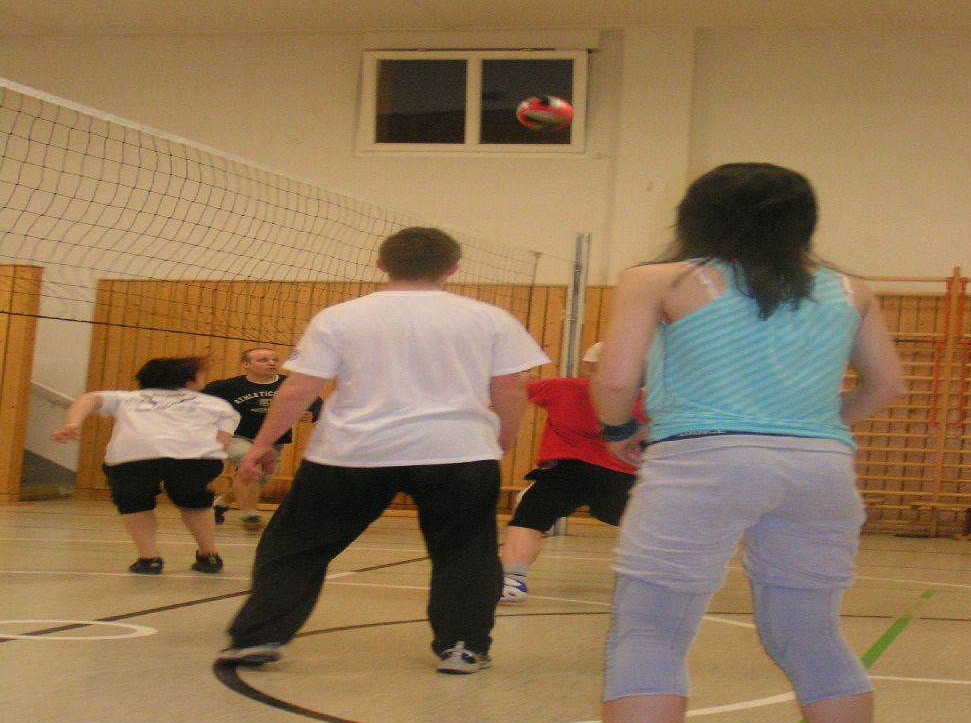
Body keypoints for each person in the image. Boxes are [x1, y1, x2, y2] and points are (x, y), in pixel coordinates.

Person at [590, 163, 905, 723]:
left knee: (649, 631)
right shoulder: (852, 289)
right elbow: (886, 386)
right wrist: (804, 427)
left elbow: (615, 381)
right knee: (809, 634)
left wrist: (617, 432)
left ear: (695, 216)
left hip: (703, 458)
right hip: (821, 470)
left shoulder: (659, 279)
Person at [215, 227, 549, 674]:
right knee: (465, 551)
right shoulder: (489, 318)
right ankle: (464, 647)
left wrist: (260, 444)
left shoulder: (339, 317)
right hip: (456, 450)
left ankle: (258, 637)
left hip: (353, 452)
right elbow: (510, 387)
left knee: (295, 546)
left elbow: (300, 387)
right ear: (452, 268)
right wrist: (501, 438)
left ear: (381, 264)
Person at [51, 356, 240, 575]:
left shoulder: (127, 398)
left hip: (132, 458)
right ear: (188, 380)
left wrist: (72, 423)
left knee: (134, 503)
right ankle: (209, 556)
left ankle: (149, 559)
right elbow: (221, 442)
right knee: (195, 502)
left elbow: (89, 398)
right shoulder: (216, 404)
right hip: (196, 459)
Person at [500, 342, 644, 604]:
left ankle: (512, 579)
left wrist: (516, 380)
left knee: (528, 517)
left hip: (566, 473)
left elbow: (509, 394)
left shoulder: (561, 388)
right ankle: (646, 583)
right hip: (621, 477)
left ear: (588, 366)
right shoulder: (645, 401)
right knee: (641, 527)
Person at [202, 347, 322, 534]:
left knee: (255, 479)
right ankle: (250, 515)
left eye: (274, 359)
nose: (271, 363)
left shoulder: (289, 384)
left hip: (273, 441)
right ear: (246, 365)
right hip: (237, 437)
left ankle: (221, 503)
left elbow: (316, 403)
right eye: (263, 360)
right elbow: (197, 402)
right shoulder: (226, 387)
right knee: (252, 464)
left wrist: (312, 414)